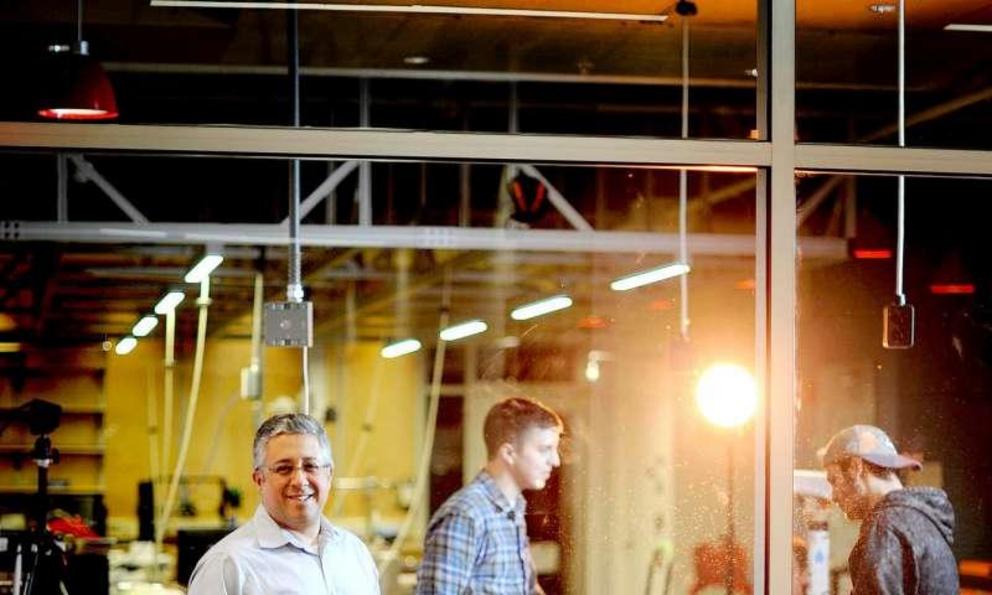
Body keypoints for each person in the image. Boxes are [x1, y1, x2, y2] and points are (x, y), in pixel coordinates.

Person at [189, 413, 380, 594]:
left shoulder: (355, 552)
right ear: (259, 479)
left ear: (329, 475)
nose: (299, 480)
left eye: (310, 466)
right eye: (284, 468)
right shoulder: (227, 565)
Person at [416, 397, 563, 594]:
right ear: (509, 453)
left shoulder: (513, 508)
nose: (556, 461)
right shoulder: (465, 515)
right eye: (545, 449)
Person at [820, 424, 958, 594]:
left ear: (856, 467)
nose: (833, 496)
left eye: (834, 480)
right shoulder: (924, 520)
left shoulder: (885, 526)